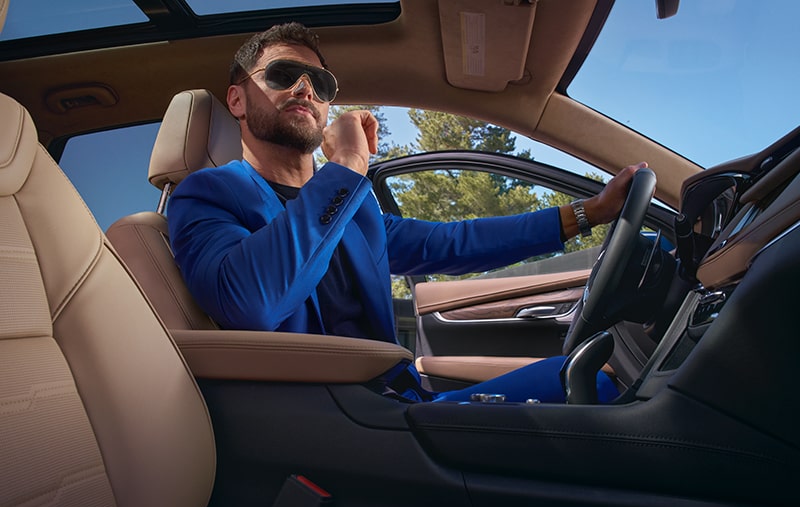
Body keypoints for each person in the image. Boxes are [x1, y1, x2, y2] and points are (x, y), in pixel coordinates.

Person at [168, 22, 647, 404]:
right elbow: (252, 301)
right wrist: (349, 165)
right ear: (236, 99)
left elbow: (453, 242)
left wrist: (589, 213)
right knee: (596, 386)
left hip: (394, 403)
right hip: (328, 422)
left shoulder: (352, 208)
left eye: (320, 82)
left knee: (589, 377)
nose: (304, 89)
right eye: (281, 76)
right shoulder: (207, 194)